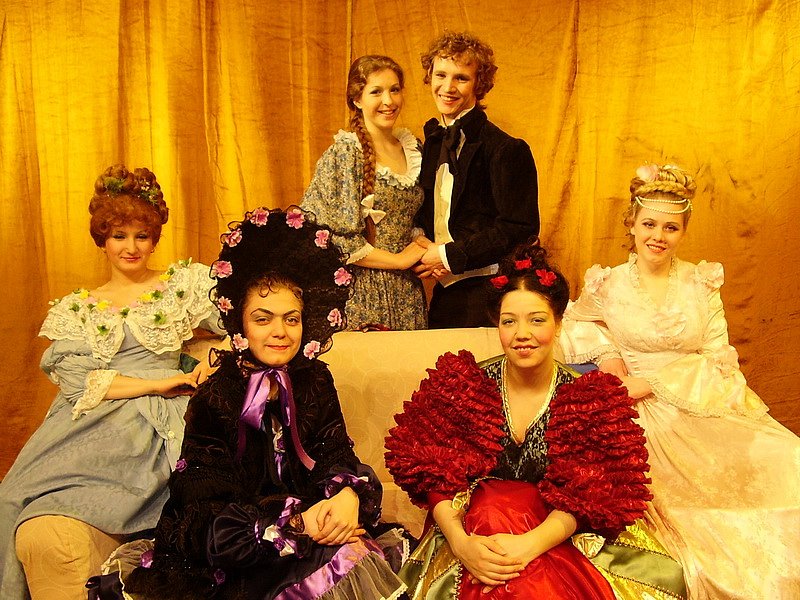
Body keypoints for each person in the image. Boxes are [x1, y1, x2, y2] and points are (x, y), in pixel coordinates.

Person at [124, 207, 407, 599]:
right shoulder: (216, 397)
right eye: (263, 319)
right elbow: (206, 512)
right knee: (340, 559)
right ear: (240, 324)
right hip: (243, 553)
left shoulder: (314, 379)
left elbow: (334, 451)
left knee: (354, 552)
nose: (280, 332)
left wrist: (345, 496)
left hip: (313, 529)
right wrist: (296, 524)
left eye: (291, 319)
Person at [385, 241, 686, 599]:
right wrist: (462, 545)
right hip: (473, 537)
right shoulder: (465, 386)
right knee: (492, 507)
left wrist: (527, 547)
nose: (522, 334)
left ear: (559, 324)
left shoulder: (588, 400)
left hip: (558, 537)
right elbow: (437, 479)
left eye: (537, 320)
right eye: (509, 321)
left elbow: (588, 499)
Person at [560, 163, 800, 599]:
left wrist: (651, 383)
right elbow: (576, 322)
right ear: (632, 224)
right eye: (649, 224)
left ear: (683, 231)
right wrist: (610, 358)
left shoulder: (701, 281)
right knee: (681, 519)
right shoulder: (607, 284)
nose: (658, 236)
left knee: (787, 465)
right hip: (637, 417)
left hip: (702, 401)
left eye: (671, 227)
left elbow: (718, 355)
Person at [0, 165, 224, 600]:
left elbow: (246, 321)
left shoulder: (181, 286)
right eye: (120, 235)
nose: (131, 247)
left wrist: (214, 363)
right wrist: (154, 385)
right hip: (100, 413)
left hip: (168, 412)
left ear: (154, 239)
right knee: (13, 495)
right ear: (103, 239)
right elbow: (79, 383)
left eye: (142, 236)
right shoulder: (80, 308)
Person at [413, 31, 540, 328]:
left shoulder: (507, 149)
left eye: (461, 78)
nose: (448, 87)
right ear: (429, 77)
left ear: (479, 84)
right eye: (440, 75)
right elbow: (428, 211)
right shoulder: (432, 143)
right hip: (443, 293)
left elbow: (520, 228)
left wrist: (447, 255)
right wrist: (421, 244)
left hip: (488, 292)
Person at [301, 55, 428, 331]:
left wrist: (421, 244)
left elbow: (413, 219)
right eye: (376, 92)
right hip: (360, 291)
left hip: (406, 292)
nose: (388, 101)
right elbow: (328, 236)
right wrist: (397, 260)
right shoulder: (345, 154)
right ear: (357, 99)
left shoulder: (414, 149)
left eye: (394, 90)